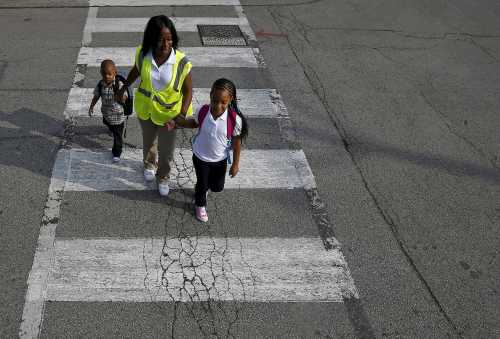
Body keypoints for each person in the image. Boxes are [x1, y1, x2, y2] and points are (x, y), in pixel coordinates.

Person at [117, 15, 193, 196]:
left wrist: (181, 115)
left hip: (170, 115)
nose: (166, 44)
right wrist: (124, 87)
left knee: (166, 151)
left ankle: (163, 177)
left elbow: (188, 91)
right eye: (161, 40)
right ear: (152, 39)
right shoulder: (143, 54)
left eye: (169, 39)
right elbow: (136, 70)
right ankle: (150, 164)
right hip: (146, 109)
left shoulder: (181, 62)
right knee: (149, 142)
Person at [175, 78, 248, 222]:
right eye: (215, 101)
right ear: (210, 95)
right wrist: (179, 122)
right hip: (200, 157)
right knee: (202, 184)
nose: (218, 106)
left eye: (223, 102)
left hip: (220, 160)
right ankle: (200, 205)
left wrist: (235, 164)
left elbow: (237, 143)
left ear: (230, 99)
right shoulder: (203, 111)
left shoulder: (234, 120)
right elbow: (194, 123)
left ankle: (204, 188)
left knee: (217, 187)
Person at [89, 59, 128, 163]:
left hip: (119, 116)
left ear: (115, 72)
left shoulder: (119, 84)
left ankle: (116, 153)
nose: (107, 77)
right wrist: (92, 106)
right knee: (107, 123)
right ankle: (111, 129)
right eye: (104, 74)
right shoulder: (101, 84)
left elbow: (125, 97)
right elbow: (96, 96)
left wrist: (121, 96)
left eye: (110, 74)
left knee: (117, 136)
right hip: (107, 114)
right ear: (101, 73)